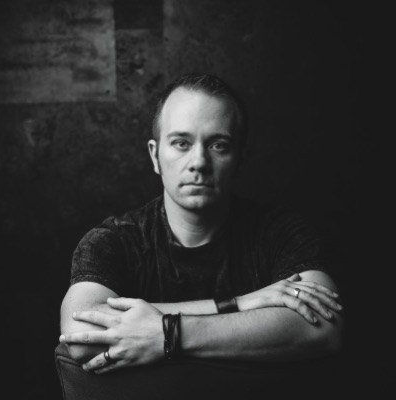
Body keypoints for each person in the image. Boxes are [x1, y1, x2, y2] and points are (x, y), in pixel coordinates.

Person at [59, 73, 344, 376]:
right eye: (181, 143)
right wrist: (241, 304)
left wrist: (169, 334)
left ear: (240, 158)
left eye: (218, 145)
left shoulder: (281, 233)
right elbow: (81, 334)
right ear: (155, 156)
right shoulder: (112, 241)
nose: (199, 162)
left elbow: (325, 328)